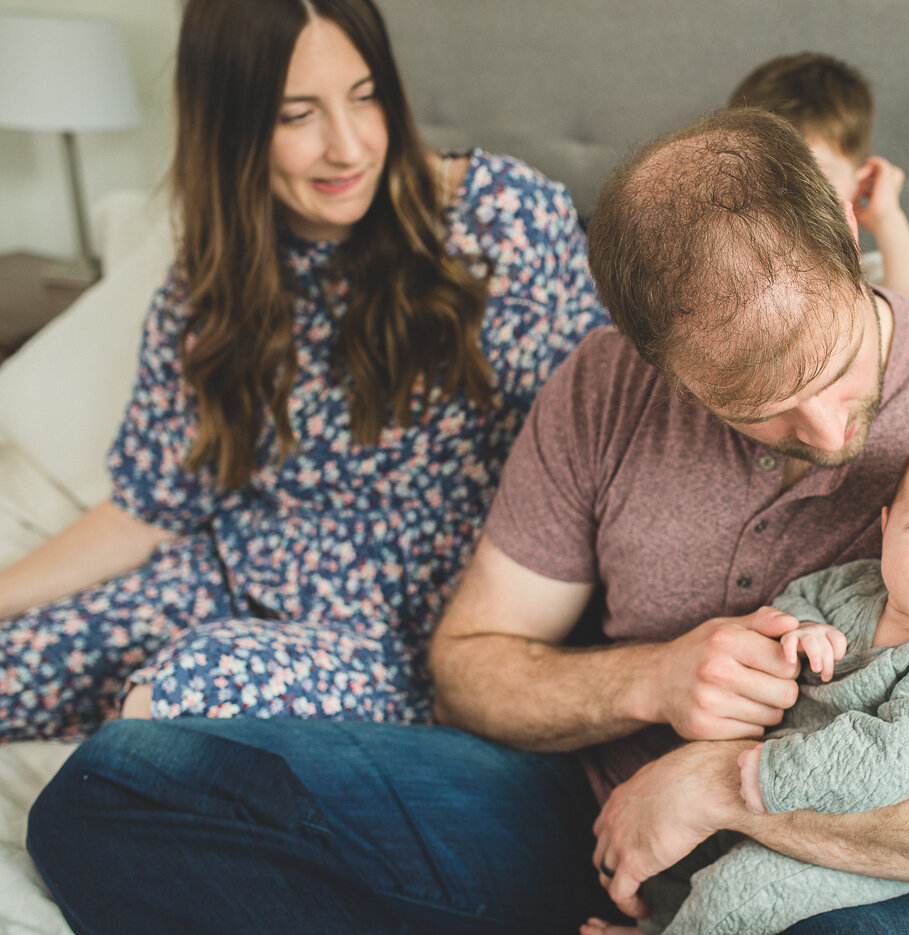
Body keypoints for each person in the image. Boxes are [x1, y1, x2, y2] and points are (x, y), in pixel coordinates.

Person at [39, 107, 909, 935]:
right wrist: (652, 679)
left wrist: (721, 784)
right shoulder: (596, 386)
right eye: (759, 411)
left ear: (845, 247)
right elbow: (471, 663)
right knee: (115, 790)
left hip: (826, 876)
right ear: (654, 359)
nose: (827, 435)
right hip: (572, 819)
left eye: (842, 377)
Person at [0, 0, 603, 740]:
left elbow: (597, 451)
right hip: (224, 576)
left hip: (407, 637)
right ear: (232, 124)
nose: (348, 148)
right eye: (297, 115)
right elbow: (151, 504)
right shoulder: (213, 280)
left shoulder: (504, 223)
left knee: (176, 700)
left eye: (365, 97)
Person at [581, 426, 909, 935]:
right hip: (763, 786)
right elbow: (801, 595)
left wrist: (775, 775)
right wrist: (801, 628)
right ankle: (656, 925)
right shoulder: (857, 583)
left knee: (738, 892)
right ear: (886, 525)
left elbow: (893, 756)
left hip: (850, 844)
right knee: (687, 863)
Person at [729, 52, 909, 308]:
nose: (787, 190)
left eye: (814, 173)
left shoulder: (871, 275)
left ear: (861, 183)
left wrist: (887, 218)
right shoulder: (728, 257)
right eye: (765, 170)